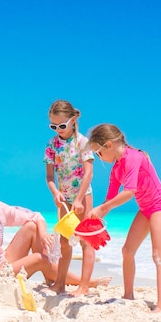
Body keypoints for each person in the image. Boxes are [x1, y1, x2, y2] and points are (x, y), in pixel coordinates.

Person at [0, 170, 109, 289]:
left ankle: (49, 273)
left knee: (32, 227)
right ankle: (83, 281)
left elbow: (36, 216)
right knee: (39, 258)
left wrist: (44, 235)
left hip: (2, 262)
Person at [86, 124, 161, 313]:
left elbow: (129, 192)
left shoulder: (133, 157)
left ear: (108, 145)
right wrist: (94, 219)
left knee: (158, 256)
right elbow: (110, 199)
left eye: (98, 153)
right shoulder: (116, 168)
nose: (99, 158)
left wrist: (103, 208)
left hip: (159, 207)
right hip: (145, 209)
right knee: (127, 251)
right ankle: (128, 295)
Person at [44, 99, 97, 296]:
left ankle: (84, 286)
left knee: (86, 240)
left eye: (62, 125)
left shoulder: (83, 143)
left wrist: (79, 199)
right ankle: (60, 283)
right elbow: (50, 176)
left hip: (82, 198)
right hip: (64, 200)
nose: (58, 129)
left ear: (73, 120)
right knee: (65, 242)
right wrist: (55, 192)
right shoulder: (52, 145)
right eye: (53, 126)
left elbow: (89, 173)